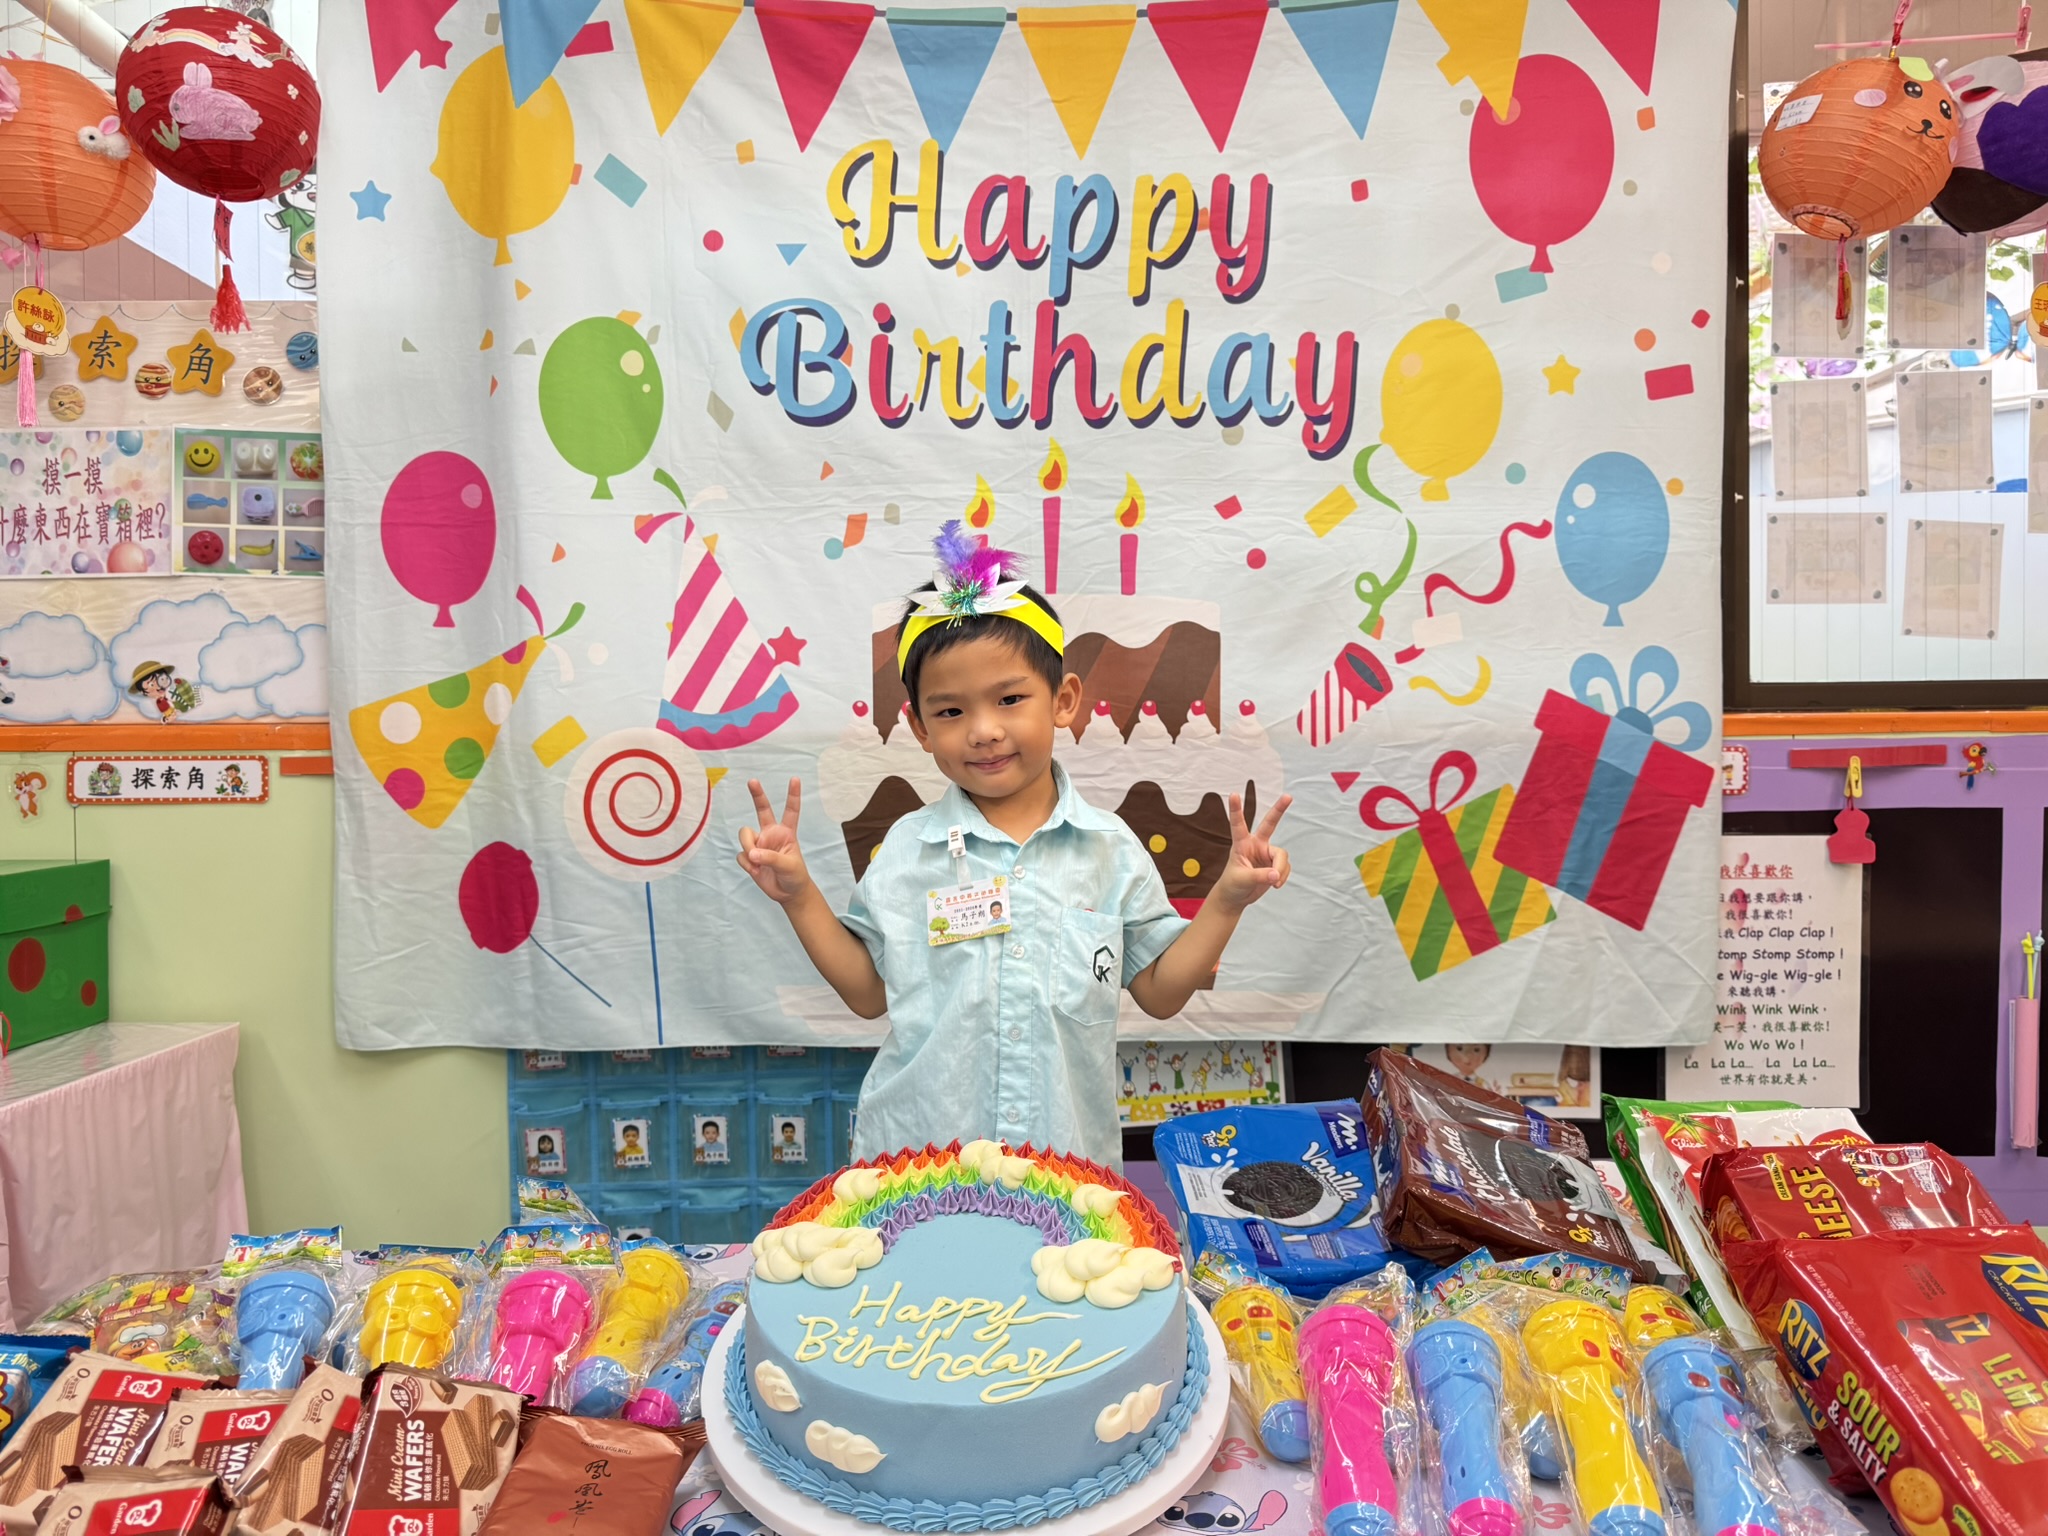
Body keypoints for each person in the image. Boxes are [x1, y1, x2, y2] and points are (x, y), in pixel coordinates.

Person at [737, 522, 1292, 1167]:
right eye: (951, 711)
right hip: (919, 1171)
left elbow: (1161, 994)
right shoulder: (909, 848)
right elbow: (867, 994)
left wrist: (1227, 900)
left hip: (1064, 1172)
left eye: (1009, 699)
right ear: (919, 727)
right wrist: (799, 896)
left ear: (1063, 700)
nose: (983, 730)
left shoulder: (1109, 850)